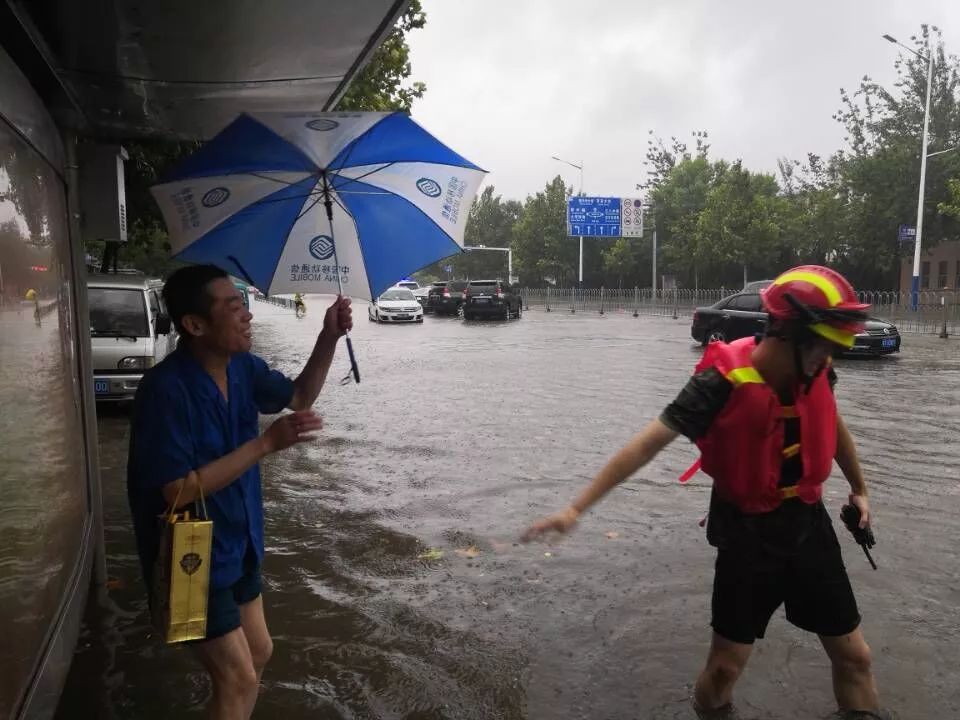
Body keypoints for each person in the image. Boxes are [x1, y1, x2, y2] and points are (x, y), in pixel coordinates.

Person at [524, 266, 896, 720]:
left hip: (809, 527)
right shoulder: (718, 383)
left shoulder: (817, 371)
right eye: (823, 346)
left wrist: (860, 488)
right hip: (747, 536)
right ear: (787, 334)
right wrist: (574, 509)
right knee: (723, 670)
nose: (828, 359)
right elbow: (646, 444)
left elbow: (831, 424)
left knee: (855, 657)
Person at [127, 264, 352, 719]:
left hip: (240, 542)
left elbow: (300, 397)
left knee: (260, 651)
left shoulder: (244, 368)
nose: (246, 315)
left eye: (243, 303)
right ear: (195, 325)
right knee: (237, 677)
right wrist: (266, 444)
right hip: (190, 557)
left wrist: (328, 336)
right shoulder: (165, 390)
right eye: (232, 306)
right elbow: (174, 492)